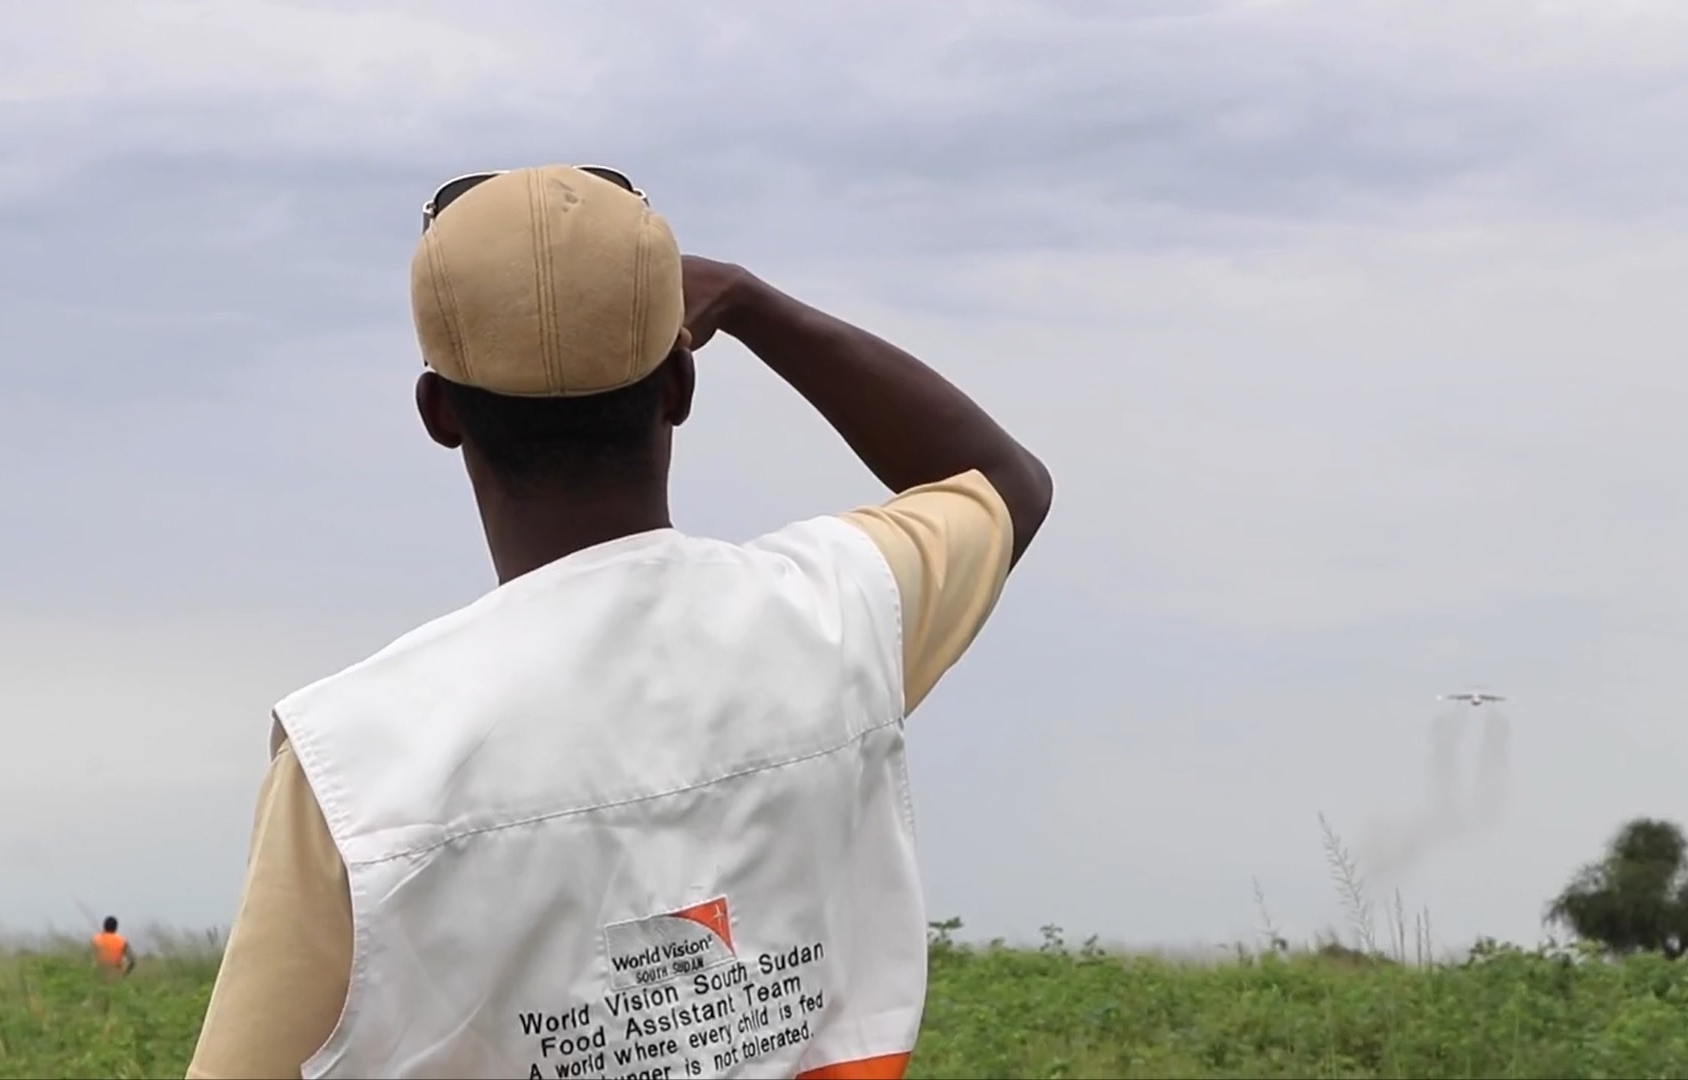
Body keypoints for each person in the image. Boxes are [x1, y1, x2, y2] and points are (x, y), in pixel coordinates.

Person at [185, 164, 1051, 1080]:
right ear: (678, 385)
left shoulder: (351, 761)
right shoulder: (837, 613)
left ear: (439, 414)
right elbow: (1005, 485)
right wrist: (753, 304)